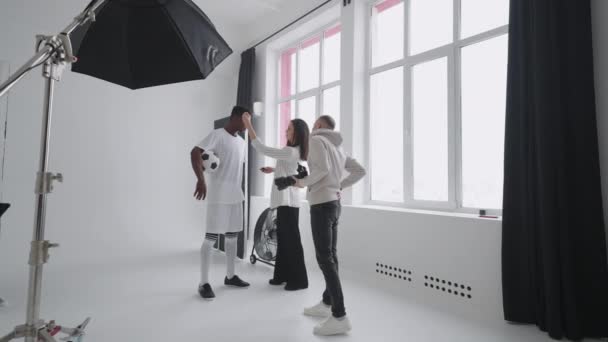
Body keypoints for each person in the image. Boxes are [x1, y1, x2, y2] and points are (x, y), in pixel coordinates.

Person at [292, 115, 366, 336]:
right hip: (334, 203)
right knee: (331, 256)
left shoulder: (316, 140)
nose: (312, 126)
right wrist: (338, 185)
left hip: (322, 205)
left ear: (320, 126)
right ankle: (327, 302)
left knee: (325, 258)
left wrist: (300, 182)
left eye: (315, 124)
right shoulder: (338, 148)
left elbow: (322, 170)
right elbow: (360, 170)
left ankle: (340, 315)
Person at [242, 112, 310, 291]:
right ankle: (281, 276)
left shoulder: (289, 151)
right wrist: (274, 169)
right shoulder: (296, 153)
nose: (286, 131)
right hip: (288, 200)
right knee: (284, 239)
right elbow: (289, 170)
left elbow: (263, 149)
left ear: (297, 134)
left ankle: (299, 281)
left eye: (289, 129)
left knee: (291, 241)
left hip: (287, 201)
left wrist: (248, 124)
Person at [190, 106, 251, 300]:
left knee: (232, 236)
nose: (246, 124)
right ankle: (203, 283)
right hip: (218, 196)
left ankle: (230, 276)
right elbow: (195, 152)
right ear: (235, 117)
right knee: (211, 238)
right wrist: (201, 179)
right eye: (245, 119)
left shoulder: (242, 143)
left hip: (236, 195)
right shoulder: (217, 135)